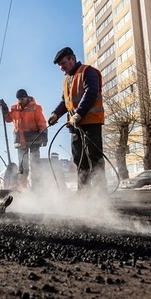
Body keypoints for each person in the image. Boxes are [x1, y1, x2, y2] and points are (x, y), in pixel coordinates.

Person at [47, 47, 106, 192]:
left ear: (72, 58)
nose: (62, 67)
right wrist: (56, 114)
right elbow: (65, 102)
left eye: (63, 63)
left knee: (94, 158)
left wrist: (79, 113)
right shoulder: (66, 80)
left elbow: (91, 92)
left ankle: (100, 195)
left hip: (91, 122)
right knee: (79, 160)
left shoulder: (87, 71)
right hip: (75, 126)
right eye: (60, 65)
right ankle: (83, 194)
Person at [0, 88, 47, 186]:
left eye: (23, 98)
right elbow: (8, 119)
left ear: (27, 97)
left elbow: (42, 122)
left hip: (34, 138)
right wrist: (4, 110)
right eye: (19, 99)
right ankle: (23, 187)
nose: (21, 100)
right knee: (22, 165)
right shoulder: (14, 108)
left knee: (35, 163)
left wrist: (44, 135)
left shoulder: (36, 108)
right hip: (20, 140)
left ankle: (36, 186)